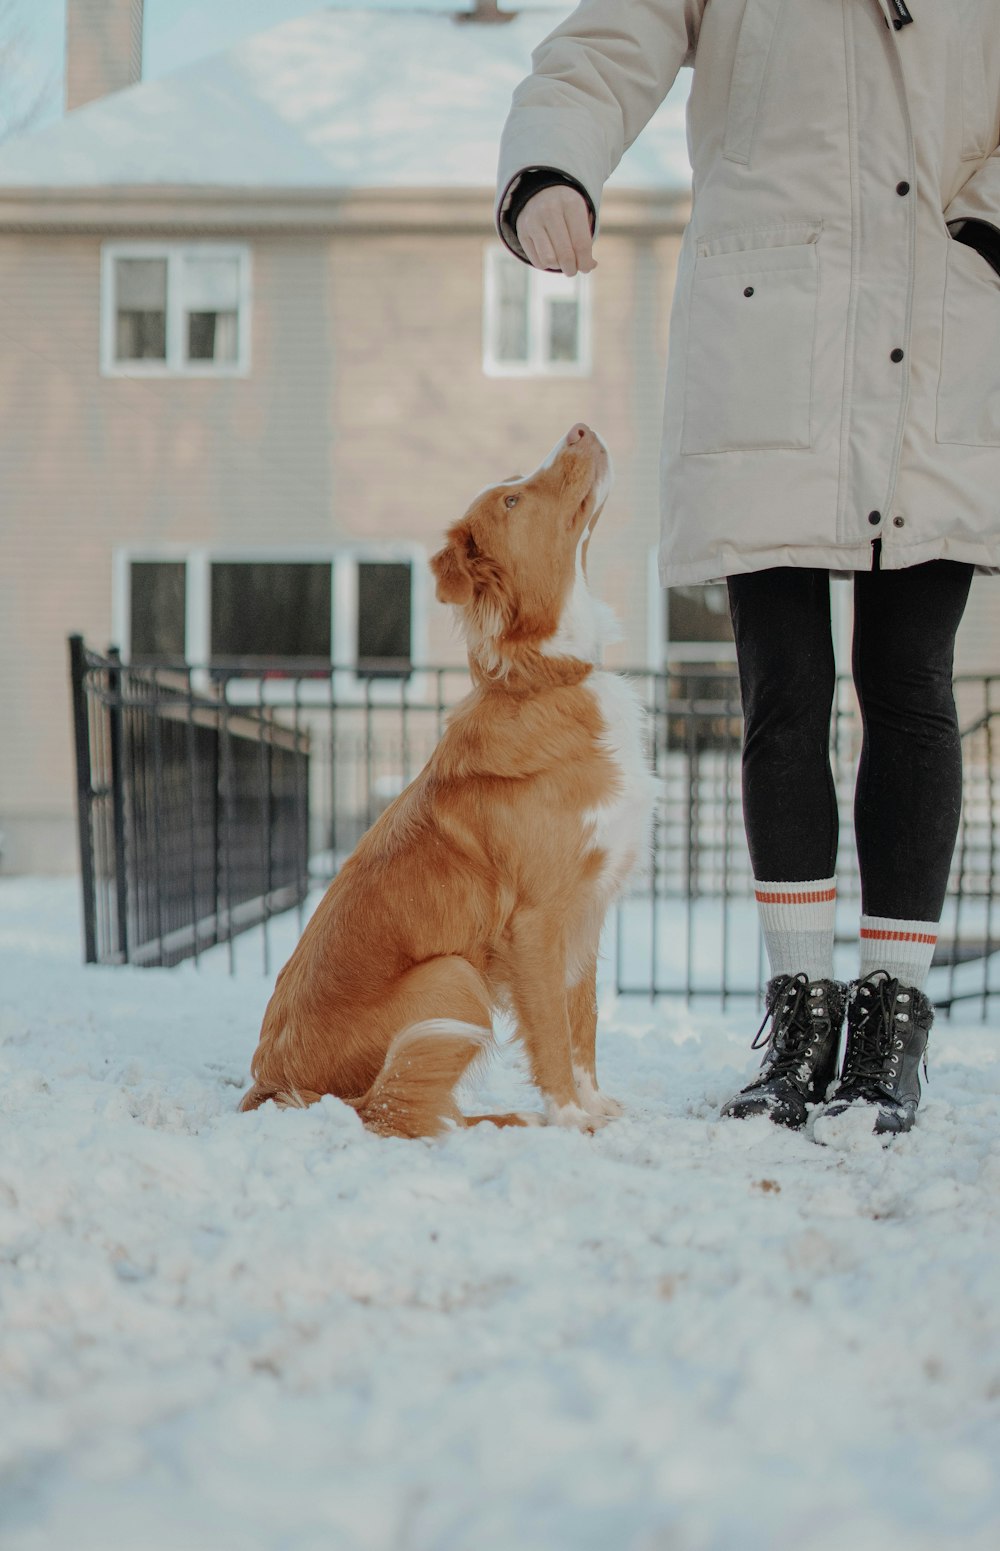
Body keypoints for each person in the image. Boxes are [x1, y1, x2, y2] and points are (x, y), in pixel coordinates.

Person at [495, 0, 1000, 1137]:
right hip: (771, 339)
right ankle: (800, 1007)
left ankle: (891, 1020)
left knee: (911, 685)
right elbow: (604, 46)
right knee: (784, 692)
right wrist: (548, 170)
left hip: (943, 325)